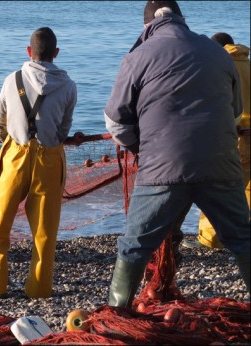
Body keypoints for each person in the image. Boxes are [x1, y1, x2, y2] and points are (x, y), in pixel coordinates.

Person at [104, 0, 250, 308]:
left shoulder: (138, 56)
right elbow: (235, 112)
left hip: (163, 167)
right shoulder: (217, 54)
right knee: (243, 239)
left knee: (135, 245)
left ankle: (117, 317)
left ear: (148, 25)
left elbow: (116, 121)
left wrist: (140, 146)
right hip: (221, 163)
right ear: (182, 18)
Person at [0, 27, 77, 301]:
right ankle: (38, 288)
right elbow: (64, 127)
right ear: (56, 53)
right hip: (50, 155)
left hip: (16, 152)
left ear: (29, 52)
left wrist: (9, 141)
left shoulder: (11, 79)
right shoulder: (68, 85)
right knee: (45, 226)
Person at [183, 32, 250, 250]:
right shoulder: (248, 65)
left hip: (232, 137)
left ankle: (211, 239)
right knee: (248, 190)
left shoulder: (219, 68)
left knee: (216, 188)